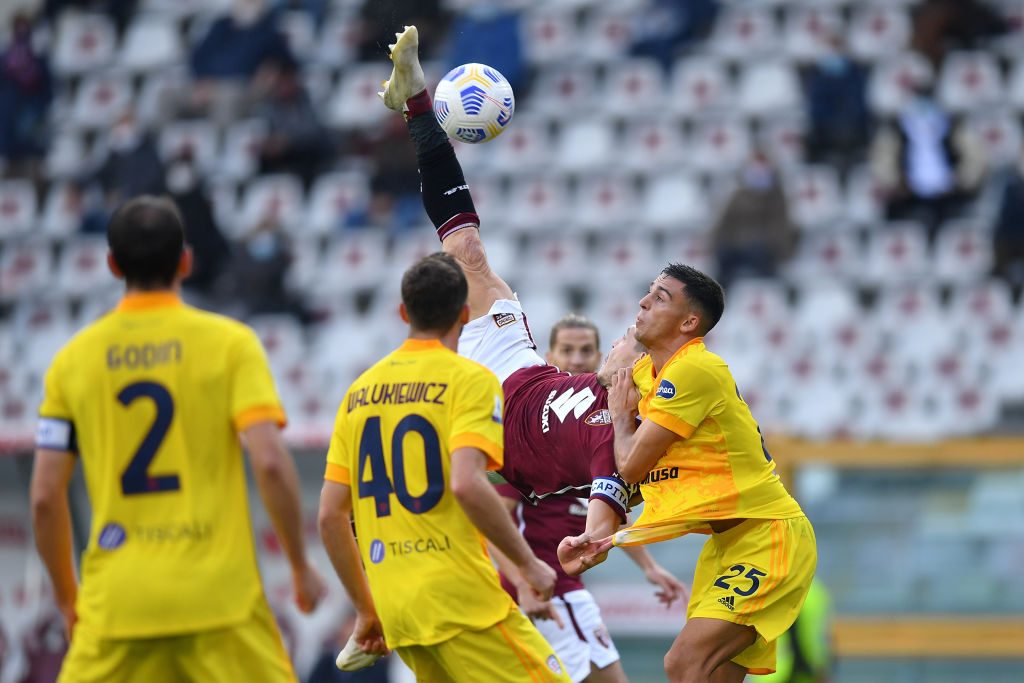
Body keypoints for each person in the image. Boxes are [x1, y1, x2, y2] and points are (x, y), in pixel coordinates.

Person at [30, 196, 325, 682]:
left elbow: (43, 497)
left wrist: (67, 601)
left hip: (118, 603)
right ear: (186, 261)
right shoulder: (231, 344)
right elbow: (269, 463)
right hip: (219, 600)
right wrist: (299, 565)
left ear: (111, 264)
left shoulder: (72, 361)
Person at [377, 25, 646, 551]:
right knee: (469, 253)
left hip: (491, 425)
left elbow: (611, 494)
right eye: (627, 344)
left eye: (631, 350)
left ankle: (370, 599)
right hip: (517, 363)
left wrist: (594, 543)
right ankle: (415, 101)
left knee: (418, 487)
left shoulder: (615, 434)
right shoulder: (594, 386)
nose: (623, 347)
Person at [317, 252, 571, 682]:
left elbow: (329, 515)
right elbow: (468, 485)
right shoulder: (470, 380)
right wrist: (528, 566)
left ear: (403, 312)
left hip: (399, 610)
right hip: (460, 598)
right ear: (465, 314)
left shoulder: (358, 393)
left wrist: (365, 609)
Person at [571, 264, 817, 682]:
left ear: (689, 322)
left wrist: (618, 414)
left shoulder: (695, 369)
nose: (643, 302)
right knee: (713, 674)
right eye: (648, 292)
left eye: (660, 297)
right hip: (726, 547)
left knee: (683, 663)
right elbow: (622, 457)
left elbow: (629, 465)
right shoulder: (651, 375)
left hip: (769, 537)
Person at [492, 315, 688, 683]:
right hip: (548, 591)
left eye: (585, 350)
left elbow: (603, 503)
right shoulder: (538, 421)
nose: (577, 358)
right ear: (549, 355)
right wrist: (522, 580)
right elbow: (491, 519)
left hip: (559, 585)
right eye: (567, 350)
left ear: (602, 354)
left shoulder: (600, 415)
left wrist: (647, 566)